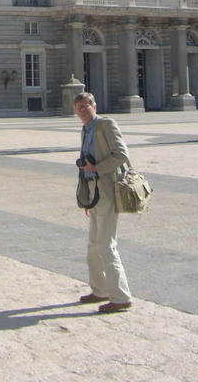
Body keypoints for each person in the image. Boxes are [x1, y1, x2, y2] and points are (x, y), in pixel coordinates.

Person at [73, 92, 132, 314]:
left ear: (94, 106)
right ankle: (99, 290)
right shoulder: (85, 128)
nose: (82, 109)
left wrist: (97, 169)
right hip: (94, 192)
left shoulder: (105, 124)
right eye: (79, 106)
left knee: (106, 245)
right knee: (92, 247)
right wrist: (87, 198)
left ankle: (121, 296)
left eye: (86, 105)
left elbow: (121, 155)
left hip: (107, 190)